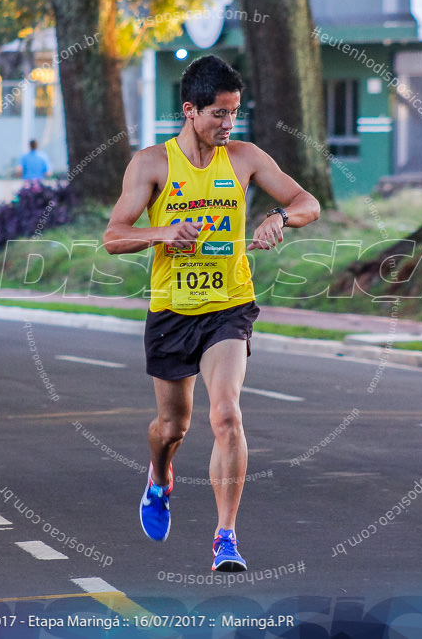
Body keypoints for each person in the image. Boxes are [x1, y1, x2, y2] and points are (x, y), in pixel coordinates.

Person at [103, 55, 320, 571]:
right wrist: (161, 233)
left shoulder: (244, 157)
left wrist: (279, 217)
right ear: (190, 110)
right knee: (171, 427)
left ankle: (226, 537)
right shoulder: (152, 164)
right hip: (172, 313)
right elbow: (114, 236)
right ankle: (159, 476)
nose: (228, 125)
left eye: (234, 113)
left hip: (229, 308)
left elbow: (307, 201)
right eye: (219, 114)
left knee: (225, 415)